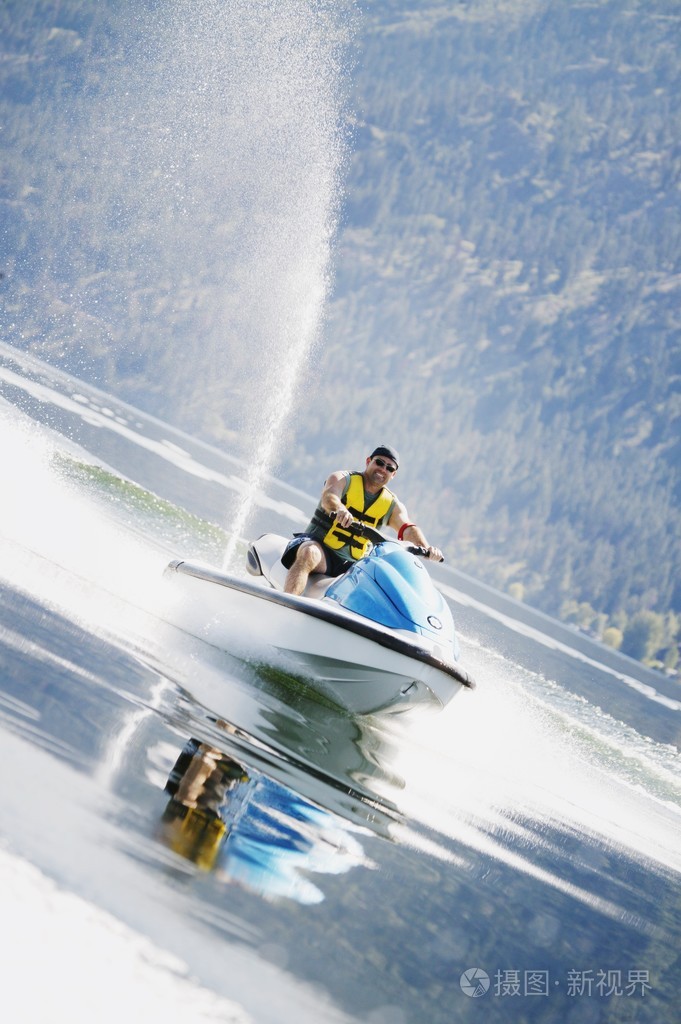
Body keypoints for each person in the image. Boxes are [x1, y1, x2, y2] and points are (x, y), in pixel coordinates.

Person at [282, 444, 444, 595]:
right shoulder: (342, 479)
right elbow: (329, 497)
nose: (383, 469)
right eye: (379, 463)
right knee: (309, 553)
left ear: (393, 474)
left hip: (352, 565)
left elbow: (408, 528)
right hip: (321, 549)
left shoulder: (392, 505)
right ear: (368, 461)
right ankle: (288, 602)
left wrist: (427, 548)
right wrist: (340, 509)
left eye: (389, 468)